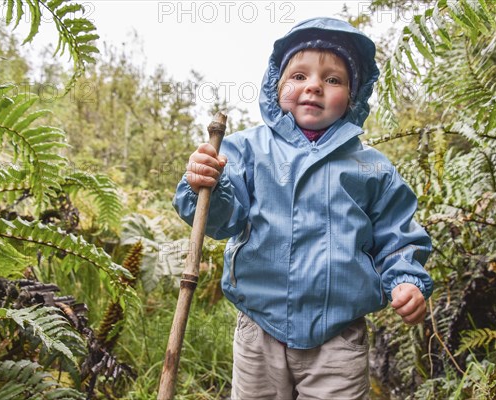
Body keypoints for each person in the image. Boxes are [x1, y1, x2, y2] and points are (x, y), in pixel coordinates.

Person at [173, 17, 434, 399]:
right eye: (299, 75)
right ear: (275, 86)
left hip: (338, 336)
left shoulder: (372, 167)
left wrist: (406, 278)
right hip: (259, 328)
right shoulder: (246, 150)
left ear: (353, 95)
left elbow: (398, 236)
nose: (313, 85)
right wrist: (203, 185)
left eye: (333, 80)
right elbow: (221, 221)